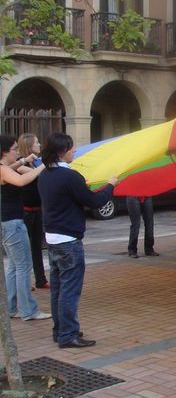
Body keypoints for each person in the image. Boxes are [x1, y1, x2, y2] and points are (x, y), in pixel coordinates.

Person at [38, 133, 118, 348]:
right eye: (72, 148)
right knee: (69, 290)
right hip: (68, 241)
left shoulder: (46, 174)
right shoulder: (69, 176)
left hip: (53, 239)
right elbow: (94, 201)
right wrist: (110, 185)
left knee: (58, 289)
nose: (75, 151)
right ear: (62, 151)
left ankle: (60, 330)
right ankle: (68, 335)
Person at [1, 134, 50, 321]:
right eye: (14, 149)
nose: (16, 151)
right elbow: (21, 180)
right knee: (23, 266)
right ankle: (28, 310)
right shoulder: (4, 170)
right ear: (5, 152)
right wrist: (44, 166)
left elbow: (11, 169)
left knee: (14, 266)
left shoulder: (4, 168)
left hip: (7, 223)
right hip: (13, 224)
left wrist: (23, 160)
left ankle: (11, 307)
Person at [17, 133, 48, 288]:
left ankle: (41, 279)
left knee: (37, 247)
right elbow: (31, 174)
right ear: (29, 145)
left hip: (37, 210)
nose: (39, 144)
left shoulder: (37, 162)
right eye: (36, 142)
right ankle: (25, 282)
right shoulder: (19, 164)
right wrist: (45, 164)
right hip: (25, 211)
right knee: (24, 249)